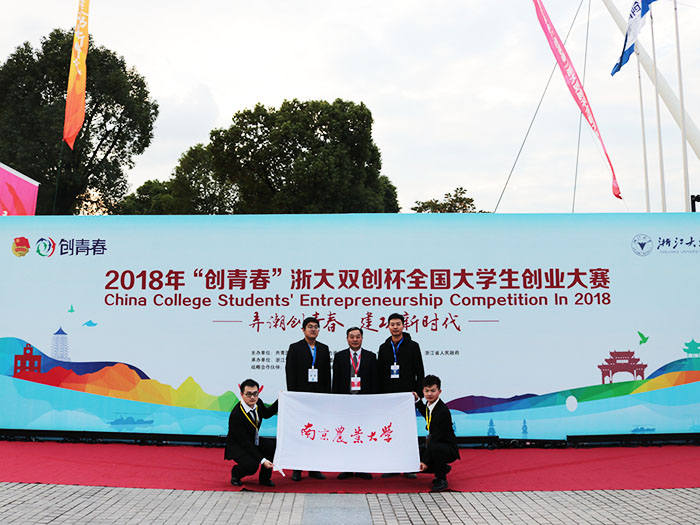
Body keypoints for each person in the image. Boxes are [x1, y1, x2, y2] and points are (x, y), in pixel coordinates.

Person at [377, 312, 425, 478]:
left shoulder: (413, 346)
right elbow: (380, 373)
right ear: (388, 326)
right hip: (389, 398)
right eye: (392, 324)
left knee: (407, 433)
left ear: (403, 326)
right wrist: (381, 395)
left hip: (407, 397)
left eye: (398, 324)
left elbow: (420, 371)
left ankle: (410, 467)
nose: (395, 327)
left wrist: (418, 393)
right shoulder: (383, 348)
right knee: (391, 432)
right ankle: (392, 466)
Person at [285, 316, 331, 482]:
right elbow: (290, 372)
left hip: (318, 399)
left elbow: (327, 374)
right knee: (301, 433)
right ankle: (297, 468)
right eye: (310, 326)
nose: (313, 329)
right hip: (301, 398)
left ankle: (314, 468)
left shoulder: (323, 349)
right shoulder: (295, 348)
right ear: (303, 330)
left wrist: (326, 396)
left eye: (316, 327)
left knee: (316, 433)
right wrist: (294, 396)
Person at [332, 326, 378, 480]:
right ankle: (346, 467)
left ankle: (362, 468)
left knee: (362, 435)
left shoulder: (371, 357)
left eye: (358, 336)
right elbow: (336, 381)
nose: (355, 339)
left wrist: (373, 403)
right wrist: (336, 402)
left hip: (365, 404)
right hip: (345, 404)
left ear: (362, 338)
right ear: (347, 339)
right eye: (352, 336)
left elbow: (374, 382)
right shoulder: (339, 356)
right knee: (346, 436)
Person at [225, 378, 278, 487]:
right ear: (241, 394)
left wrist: (281, 400)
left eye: (255, 393)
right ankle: (236, 474)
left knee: (271, 446)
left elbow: (267, 414)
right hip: (238, 445)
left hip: (253, 440)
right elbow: (245, 442)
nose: (252, 397)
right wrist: (262, 460)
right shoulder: (236, 415)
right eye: (248, 394)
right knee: (252, 465)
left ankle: (264, 479)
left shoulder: (258, 402)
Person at [415, 374, 460, 492]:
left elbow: (436, 438)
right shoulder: (430, 404)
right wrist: (417, 400)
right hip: (435, 442)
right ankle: (442, 468)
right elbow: (426, 413)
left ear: (439, 391)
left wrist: (425, 461)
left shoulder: (442, 411)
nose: (429, 394)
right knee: (416, 454)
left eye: (433, 391)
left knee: (434, 449)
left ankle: (441, 478)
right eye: (427, 391)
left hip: (446, 447)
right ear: (423, 391)